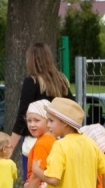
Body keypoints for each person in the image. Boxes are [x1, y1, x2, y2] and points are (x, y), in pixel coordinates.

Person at [8, 43, 73, 173]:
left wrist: (9, 149)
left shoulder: (31, 82)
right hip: (58, 141)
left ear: (31, 60)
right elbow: (71, 109)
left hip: (34, 142)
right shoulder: (62, 81)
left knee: (33, 179)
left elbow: (22, 116)